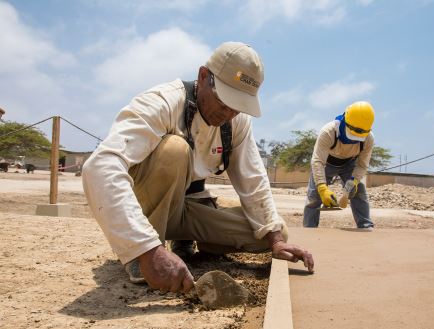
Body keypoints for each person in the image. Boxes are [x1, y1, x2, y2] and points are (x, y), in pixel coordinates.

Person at [82, 41, 314, 294]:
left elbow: (253, 180)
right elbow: (100, 166)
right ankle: (146, 253)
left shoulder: (237, 122)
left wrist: (276, 241)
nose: (228, 114)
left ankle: (186, 241)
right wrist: (145, 248)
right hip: (148, 209)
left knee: (275, 231)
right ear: (204, 76)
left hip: (189, 210)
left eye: (237, 107)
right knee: (174, 150)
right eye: (223, 101)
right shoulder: (161, 103)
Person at [303, 101, 375, 230]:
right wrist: (322, 187)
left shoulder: (368, 138)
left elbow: (362, 165)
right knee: (314, 196)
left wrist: (354, 181)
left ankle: (365, 225)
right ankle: (310, 228)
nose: (354, 139)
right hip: (327, 163)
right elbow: (317, 161)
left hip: (349, 164)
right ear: (346, 121)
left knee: (359, 191)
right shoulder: (329, 131)